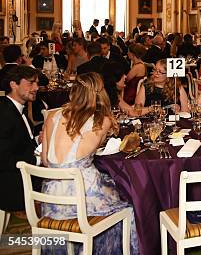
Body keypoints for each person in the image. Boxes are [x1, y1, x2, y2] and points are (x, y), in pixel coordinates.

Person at [40, 72, 139, 253]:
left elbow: (46, 161)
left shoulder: (52, 117)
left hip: (52, 202)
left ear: (73, 92)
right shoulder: (102, 120)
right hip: (84, 202)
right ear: (99, 93)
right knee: (129, 202)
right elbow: (93, 149)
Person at [0, 66, 41, 212]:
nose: (36, 88)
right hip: (12, 185)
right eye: (31, 83)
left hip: (23, 175)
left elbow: (19, 143)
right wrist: (37, 160)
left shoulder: (14, 108)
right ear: (13, 84)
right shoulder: (4, 114)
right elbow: (3, 158)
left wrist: (38, 140)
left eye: (37, 83)